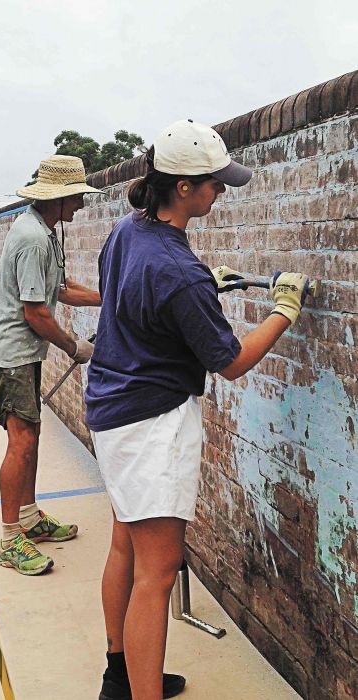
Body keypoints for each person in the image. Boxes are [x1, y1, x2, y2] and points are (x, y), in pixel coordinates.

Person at [85, 120, 311, 700]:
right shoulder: (179, 272)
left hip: (112, 410)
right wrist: (282, 312)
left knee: (124, 545)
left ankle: (122, 674)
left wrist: (203, 286)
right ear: (182, 187)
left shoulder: (127, 230)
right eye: (214, 184)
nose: (221, 193)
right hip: (152, 423)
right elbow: (230, 361)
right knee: (156, 575)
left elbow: (132, 292)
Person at [0, 154, 104, 576]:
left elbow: (61, 289)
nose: (82, 204)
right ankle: (11, 539)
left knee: (30, 434)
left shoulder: (46, 232)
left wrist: (112, 296)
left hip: (22, 354)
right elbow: (36, 313)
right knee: (22, 442)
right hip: (10, 354)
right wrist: (74, 347)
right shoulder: (32, 237)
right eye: (78, 197)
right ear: (62, 198)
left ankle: (28, 518)